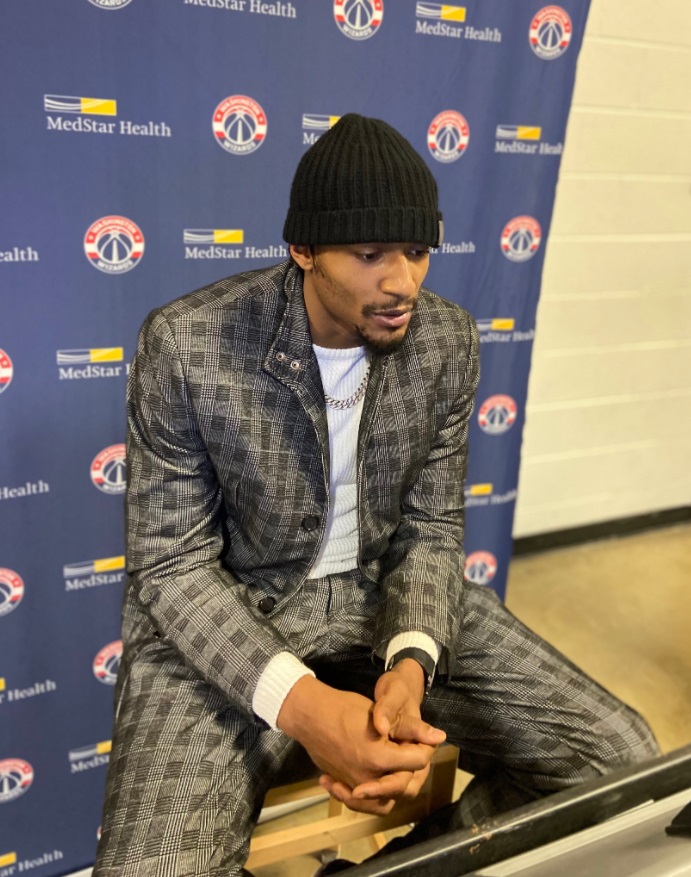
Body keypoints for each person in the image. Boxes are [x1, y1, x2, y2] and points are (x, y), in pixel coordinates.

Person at [94, 114, 657, 877]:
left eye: (417, 251)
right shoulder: (188, 345)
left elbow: (429, 530)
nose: (402, 282)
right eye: (369, 255)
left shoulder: (446, 341)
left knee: (616, 759)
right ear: (302, 250)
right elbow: (171, 568)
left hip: (375, 600)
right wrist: (308, 708)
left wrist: (411, 662)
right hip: (230, 614)